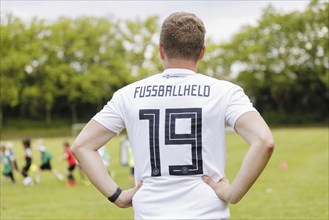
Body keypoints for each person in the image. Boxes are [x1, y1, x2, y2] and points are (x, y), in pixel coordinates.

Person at [71, 12, 275, 219]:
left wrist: (118, 196)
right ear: (202, 52)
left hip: (150, 213)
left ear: (161, 49)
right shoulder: (225, 92)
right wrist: (232, 194)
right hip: (207, 213)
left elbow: (82, 146)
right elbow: (264, 140)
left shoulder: (128, 95)